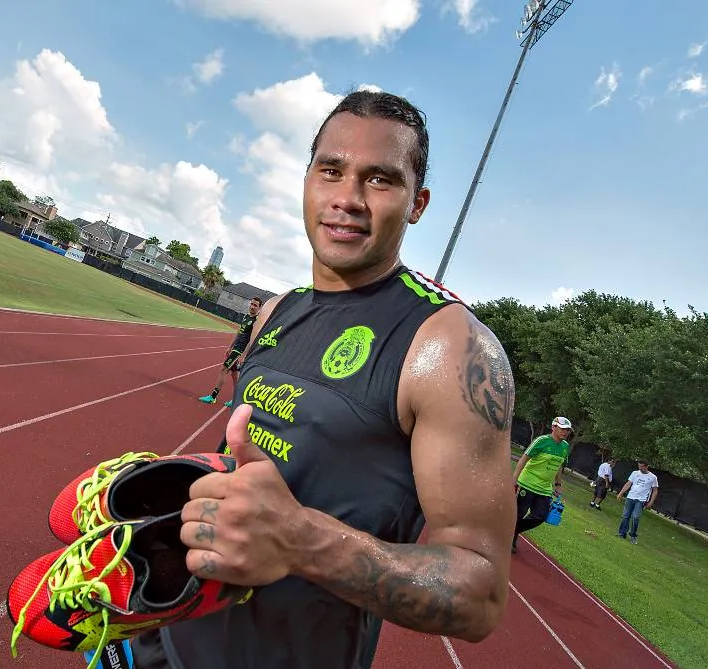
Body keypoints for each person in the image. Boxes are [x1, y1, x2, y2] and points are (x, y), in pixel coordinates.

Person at [130, 90, 517, 668]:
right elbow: (252, 467)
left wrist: (300, 540)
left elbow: (479, 592)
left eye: (380, 180)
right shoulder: (276, 311)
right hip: (160, 639)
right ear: (307, 178)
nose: (347, 199)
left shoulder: (449, 348)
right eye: (331, 171)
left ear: (418, 204)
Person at [510, 417, 572, 553]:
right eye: (563, 429)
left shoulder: (565, 446)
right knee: (519, 513)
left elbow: (559, 466)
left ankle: (511, 531)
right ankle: (511, 538)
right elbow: (524, 458)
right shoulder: (541, 441)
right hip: (527, 483)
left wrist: (558, 484)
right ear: (554, 427)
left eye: (567, 430)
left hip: (544, 488)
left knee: (540, 516)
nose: (565, 432)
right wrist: (514, 479)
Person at [198, 296, 262, 407]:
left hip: (240, 351)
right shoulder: (246, 317)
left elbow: (252, 339)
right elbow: (239, 333)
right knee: (234, 376)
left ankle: (213, 397)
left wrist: (244, 354)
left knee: (223, 369)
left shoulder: (256, 321)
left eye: (255, 305)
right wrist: (230, 346)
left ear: (259, 308)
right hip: (235, 348)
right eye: (251, 304)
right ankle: (236, 400)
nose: (252, 306)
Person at [616, 460, 659, 544]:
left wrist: (651, 502)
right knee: (625, 516)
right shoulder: (635, 473)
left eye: (642, 466)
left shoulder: (653, 477)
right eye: (639, 466)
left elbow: (655, 490)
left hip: (641, 500)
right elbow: (628, 483)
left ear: (647, 466)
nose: (640, 468)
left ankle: (633, 535)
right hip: (630, 497)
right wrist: (621, 493)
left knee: (635, 517)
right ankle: (622, 533)